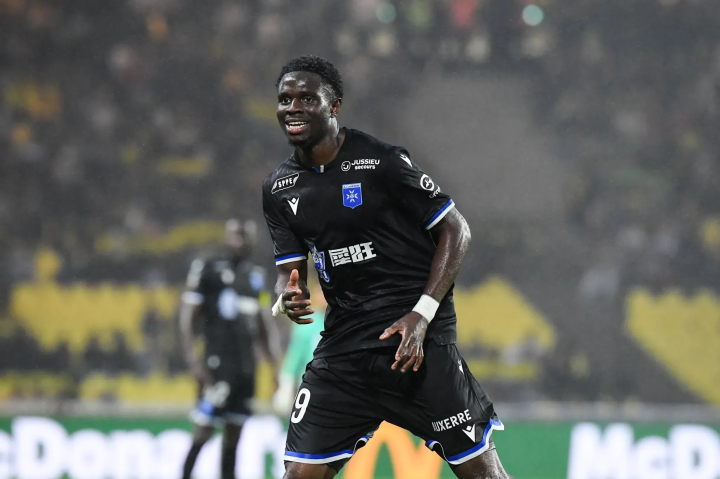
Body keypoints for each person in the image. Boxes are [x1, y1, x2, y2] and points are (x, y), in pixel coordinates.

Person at [262, 55, 513, 479]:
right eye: (285, 99)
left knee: (484, 475)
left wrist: (422, 315)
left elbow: (457, 230)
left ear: (334, 106)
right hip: (344, 354)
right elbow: (290, 276)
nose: (293, 108)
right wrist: (287, 296)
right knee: (299, 475)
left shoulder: (381, 162)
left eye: (306, 98)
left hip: (414, 347)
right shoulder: (278, 189)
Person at [179, 219, 281, 479]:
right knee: (203, 431)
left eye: (245, 236)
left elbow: (265, 324)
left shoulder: (256, 276)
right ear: (225, 237)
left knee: (235, 435)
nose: (240, 241)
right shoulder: (208, 269)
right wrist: (194, 361)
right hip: (216, 365)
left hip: (246, 369)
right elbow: (188, 318)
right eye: (236, 235)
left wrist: (275, 368)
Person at [271, 279, 325, 415]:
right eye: (320, 292)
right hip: (311, 385)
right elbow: (295, 354)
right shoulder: (308, 321)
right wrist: (286, 382)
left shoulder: (344, 322)